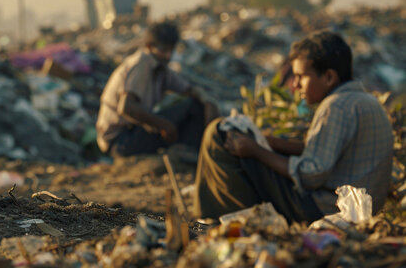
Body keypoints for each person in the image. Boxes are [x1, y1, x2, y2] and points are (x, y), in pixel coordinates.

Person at [192, 31, 393, 222]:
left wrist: (256, 151)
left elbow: (310, 175)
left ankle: (205, 223)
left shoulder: (336, 106)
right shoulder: (364, 101)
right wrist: (271, 142)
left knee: (219, 133)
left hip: (324, 208)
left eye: (301, 77)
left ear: (329, 77)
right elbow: (327, 154)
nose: (296, 85)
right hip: (357, 208)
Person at [96, 22, 218, 158]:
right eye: (164, 50)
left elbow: (189, 89)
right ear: (150, 47)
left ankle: (194, 152)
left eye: (171, 51)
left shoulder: (161, 68)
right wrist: (163, 125)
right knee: (191, 108)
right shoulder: (142, 64)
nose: (168, 56)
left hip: (132, 135)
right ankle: (194, 154)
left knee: (196, 105)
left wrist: (207, 101)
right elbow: (126, 107)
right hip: (120, 141)